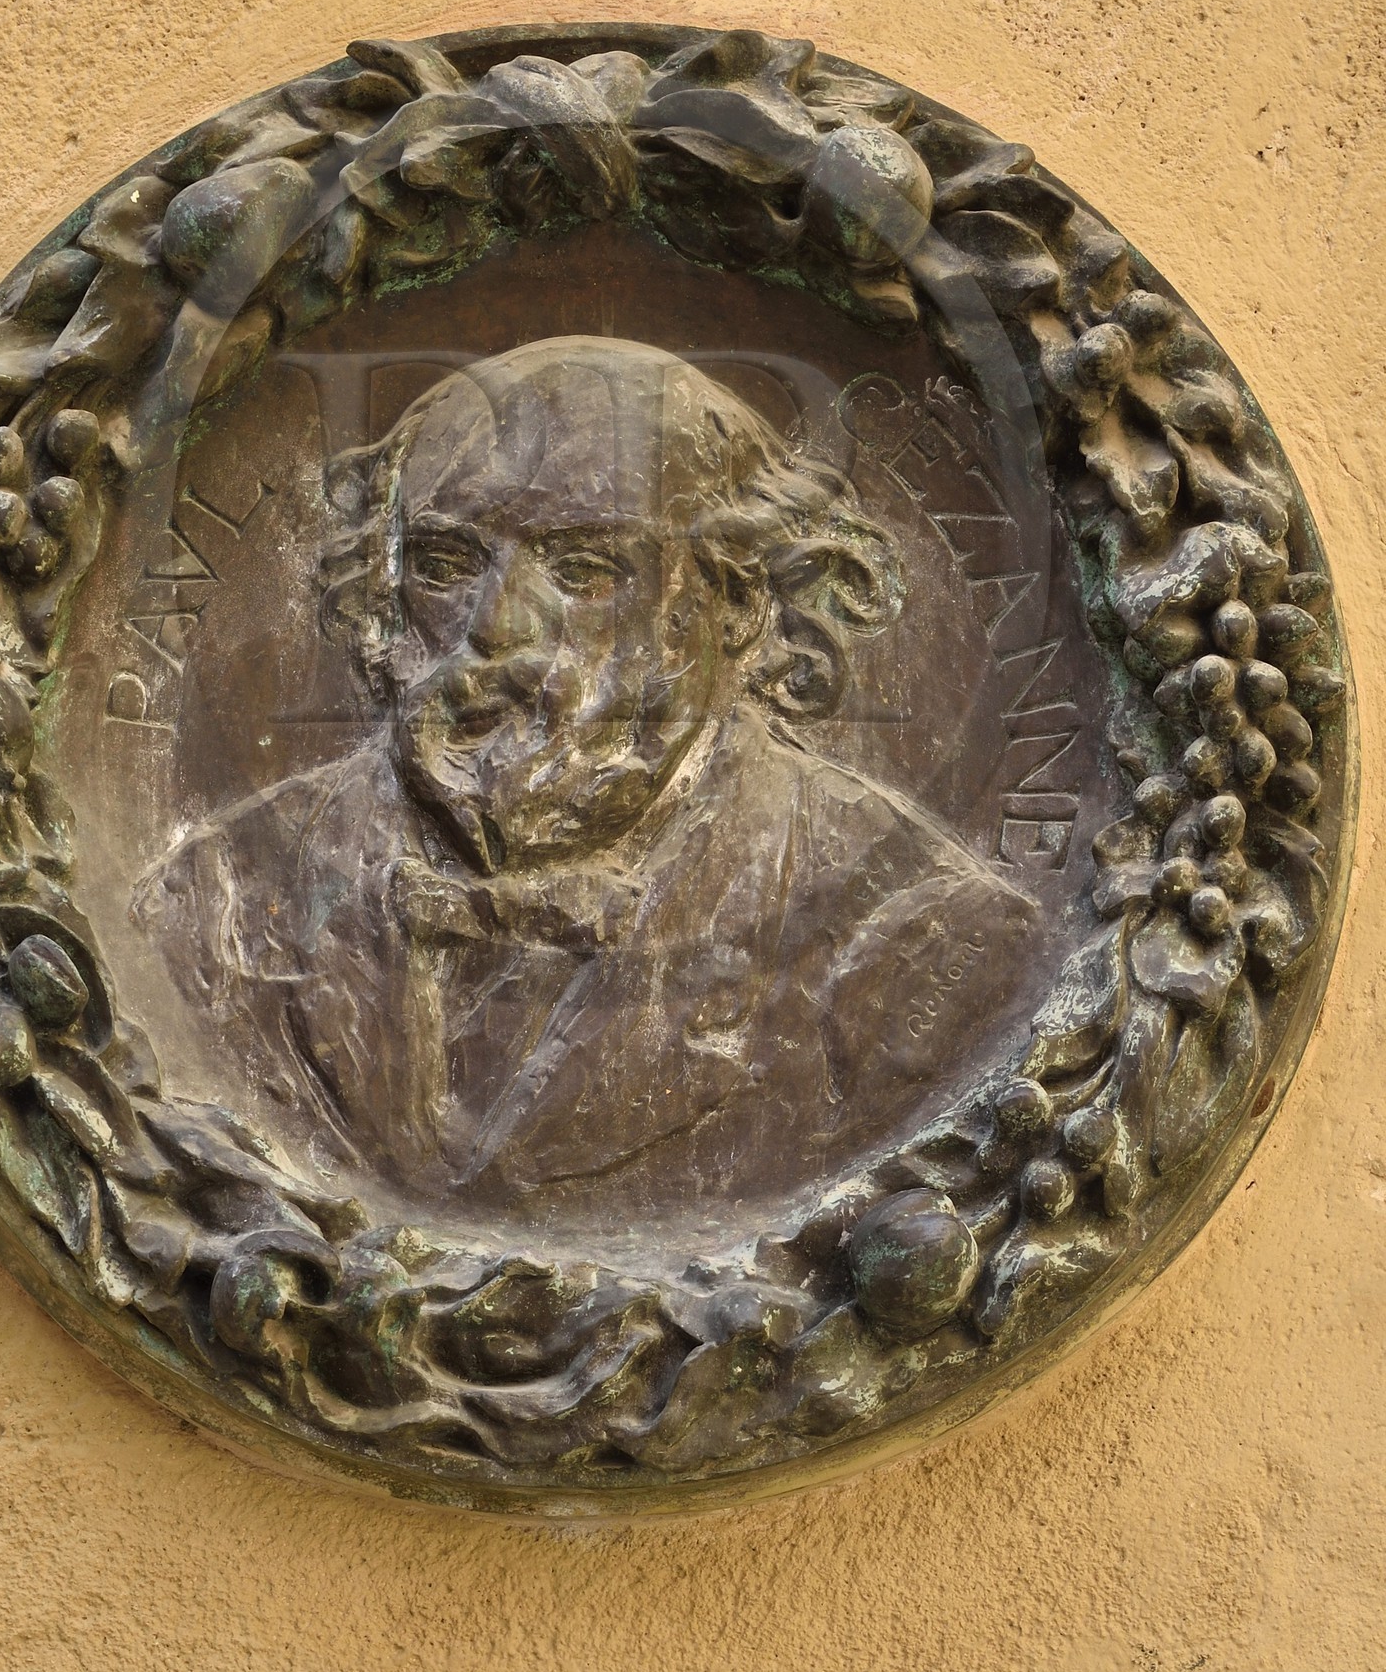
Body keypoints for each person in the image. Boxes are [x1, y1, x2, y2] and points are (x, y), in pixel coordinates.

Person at [132, 337, 1037, 1225]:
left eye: (584, 569)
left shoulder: (920, 936)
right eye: (445, 565)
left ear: (738, 599)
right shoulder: (215, 893)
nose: (496, 628)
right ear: (382, 585)